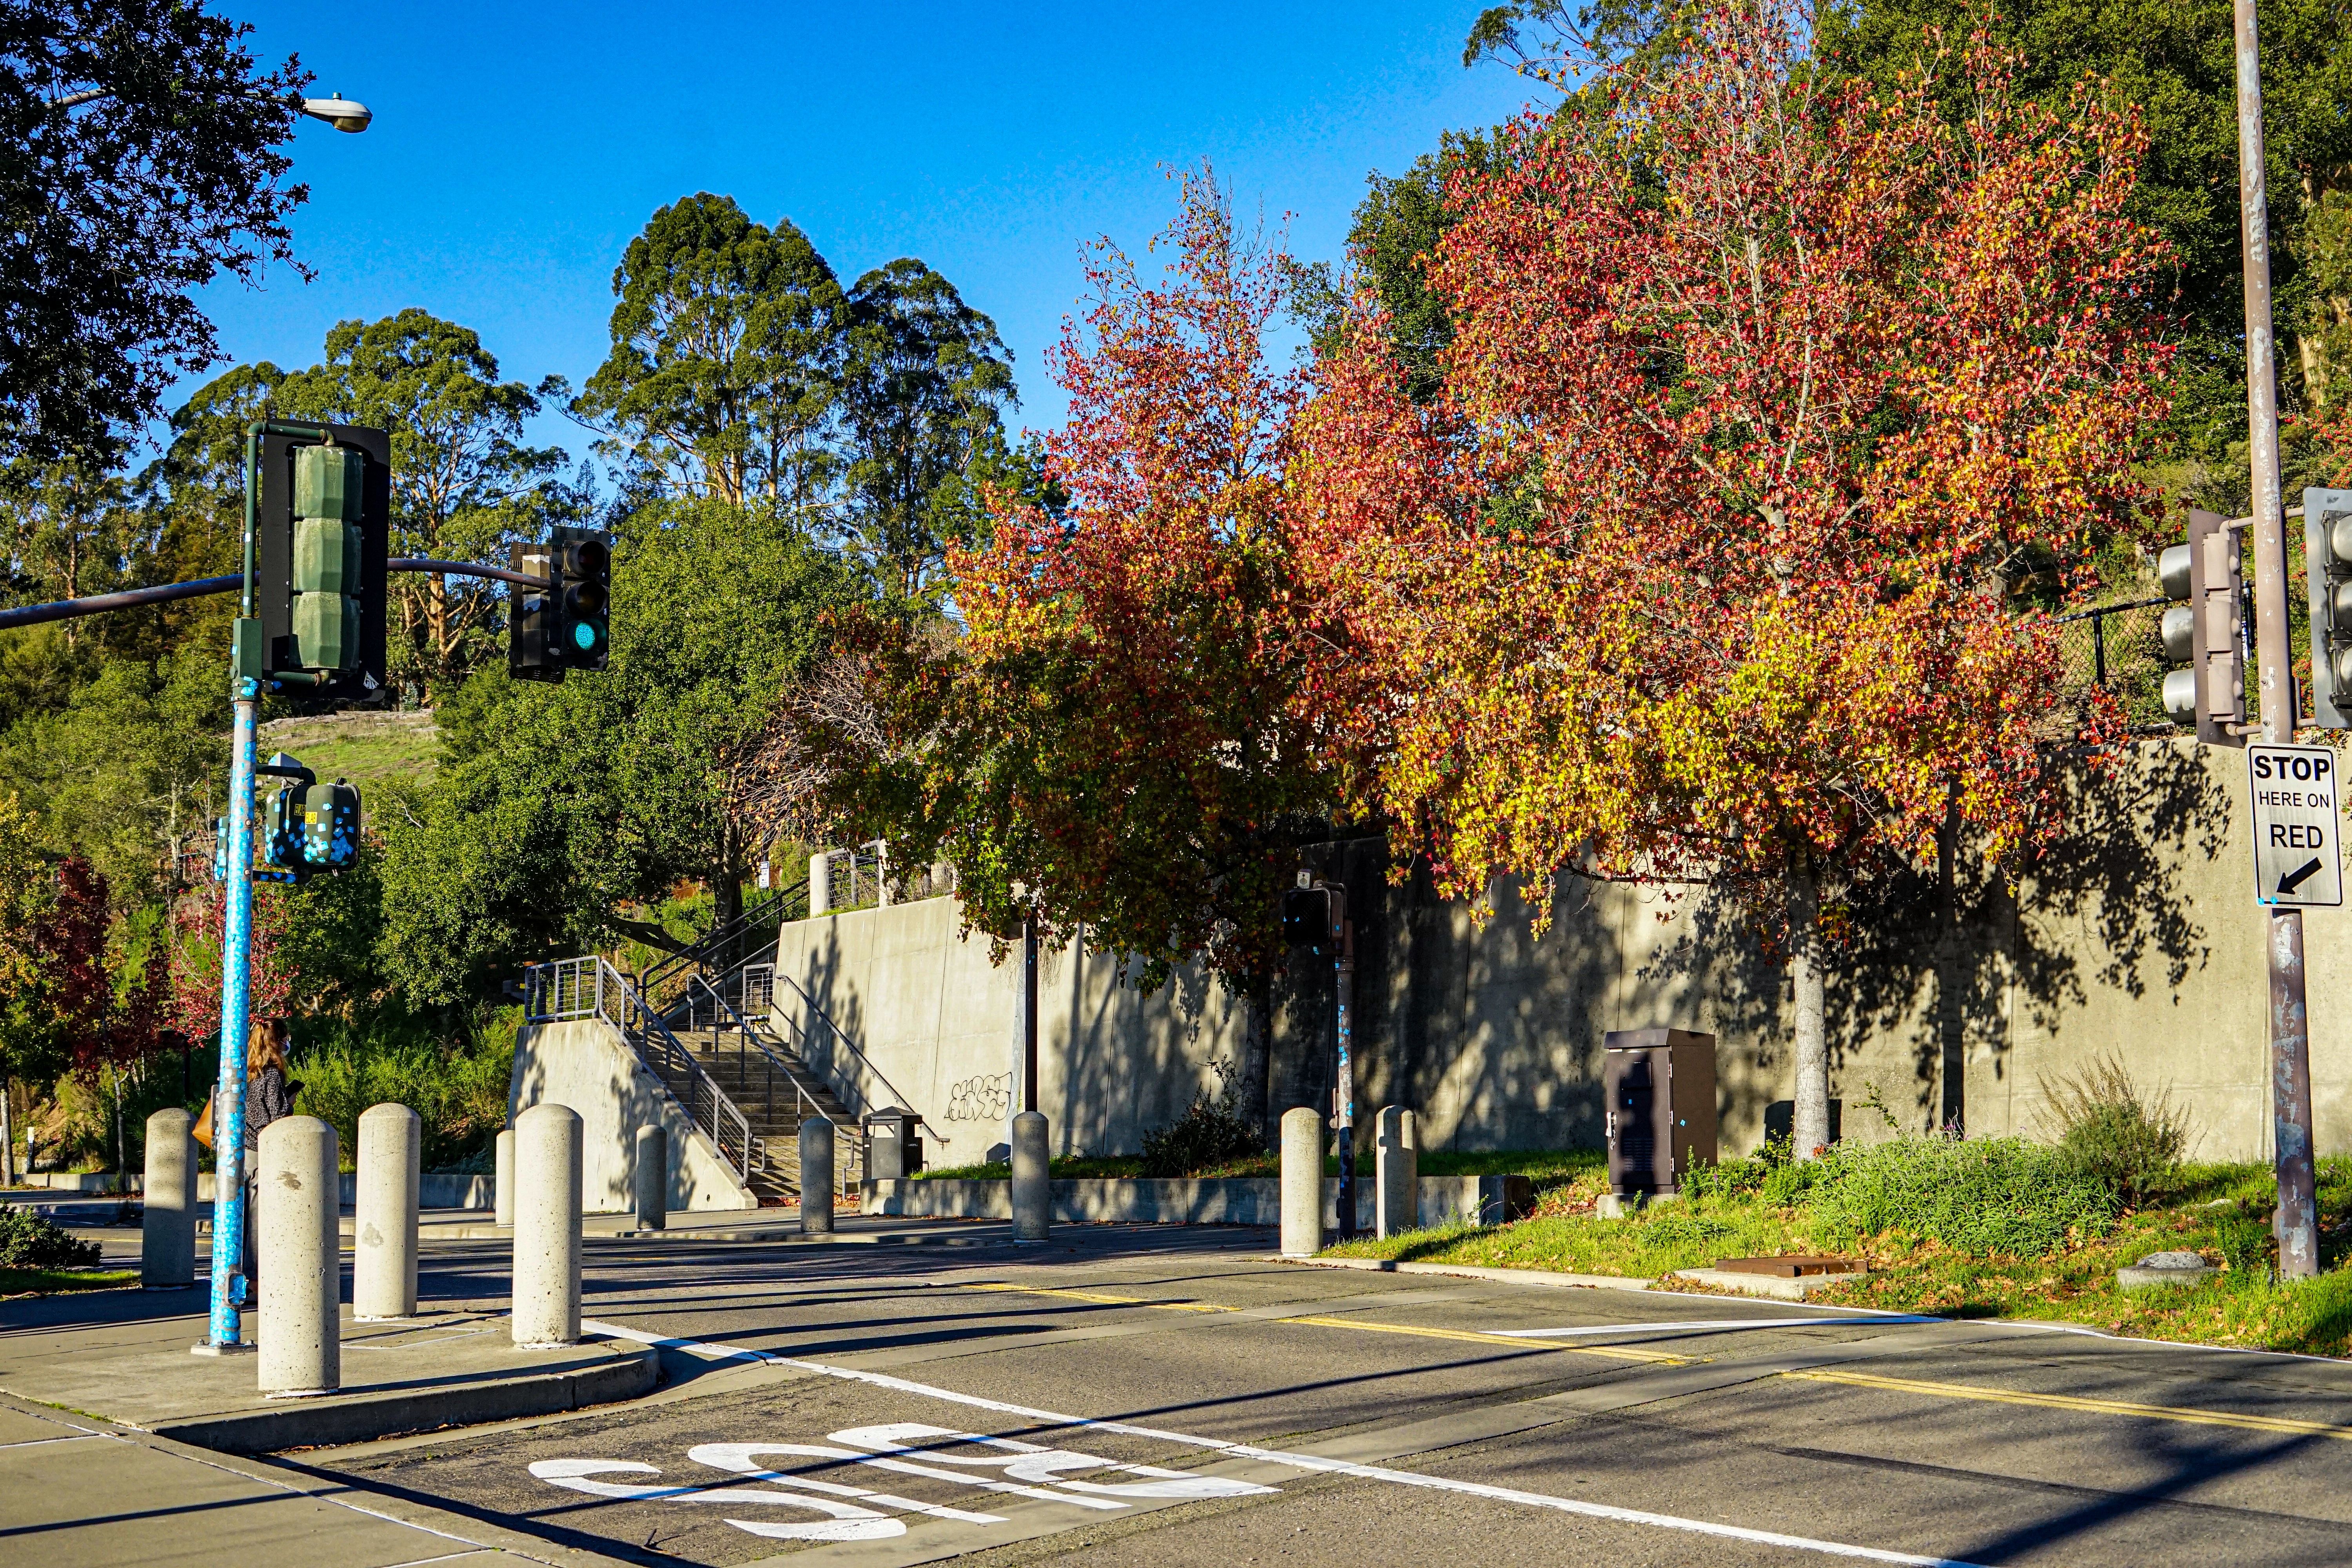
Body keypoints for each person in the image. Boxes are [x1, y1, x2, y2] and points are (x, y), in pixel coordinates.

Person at [214, 1018, 294, 1298]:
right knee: (258, 1222)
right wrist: (290, 1102)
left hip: (237, 1153)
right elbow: (277, 1117)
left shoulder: (242, 1073)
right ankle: (256, 1282)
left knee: (238, 1222)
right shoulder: (272, 1075)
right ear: (277, 1040)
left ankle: (231, 1277)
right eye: (285, 1037)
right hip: (260, 1153)